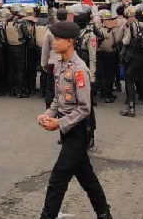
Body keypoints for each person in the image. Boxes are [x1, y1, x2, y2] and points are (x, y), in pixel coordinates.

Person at [37, 21, 112, 219]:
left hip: (78, 130)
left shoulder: (79, 70)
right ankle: (104, 214)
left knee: (57, 179)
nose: (54, 42)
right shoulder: (59, 66)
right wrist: (48, 115)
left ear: (70, 41)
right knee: (87, 177)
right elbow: (57, 98)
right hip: (67, 129)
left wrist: (59, 123)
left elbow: (85, 108)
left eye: (58, 39)